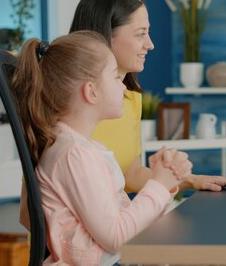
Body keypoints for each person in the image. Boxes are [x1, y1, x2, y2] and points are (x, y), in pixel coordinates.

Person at [12, 31, 193, 265]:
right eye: (116, 78)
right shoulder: (74, 155)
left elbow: (124, 221)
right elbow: (116, 238)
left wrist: (162, 182)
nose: (124, 88)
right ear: (92, 91)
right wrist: (158, 185)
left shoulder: (82, 148)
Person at [68, 0, 226, 192]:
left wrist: (190, 179)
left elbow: (131, 175)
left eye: (148, 33)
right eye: (140, 34)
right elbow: (34, 206)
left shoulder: (129, 98)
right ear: (105, 35)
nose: (150, 44)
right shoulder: (63, 104)